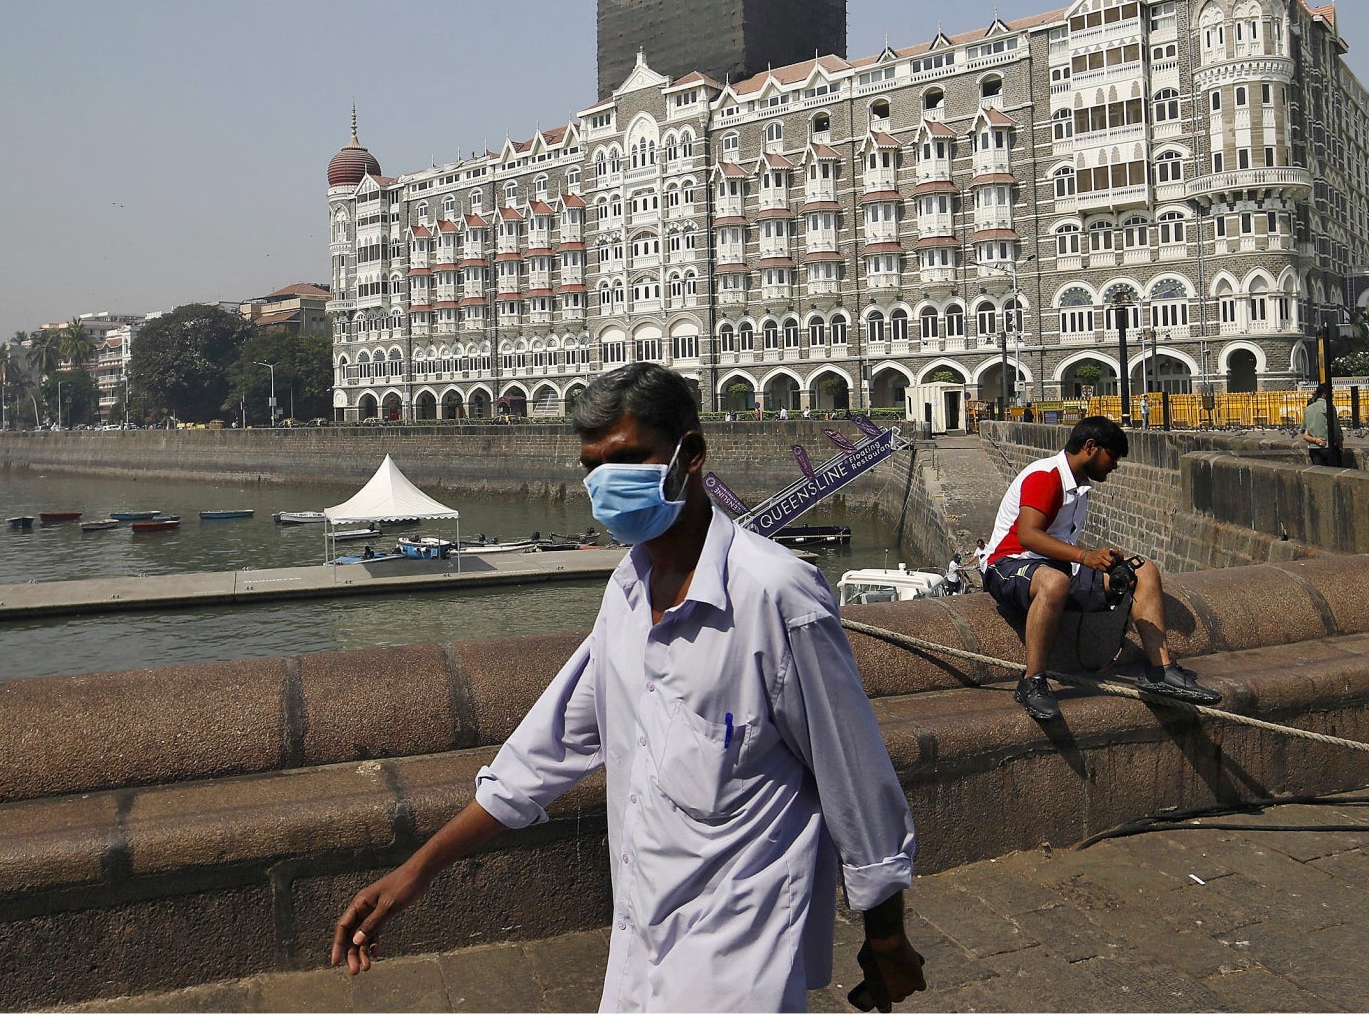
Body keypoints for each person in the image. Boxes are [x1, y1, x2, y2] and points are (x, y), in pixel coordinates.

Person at [329, 364, 926, 1013]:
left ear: (690, 455)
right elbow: (546, 750)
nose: (606, 481)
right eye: (592, 466)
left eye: (628, 458)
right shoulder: (627, 588)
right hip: (638, 936)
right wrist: (416, 873)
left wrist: (885, 934)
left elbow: (854, 776)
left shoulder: (775, 595)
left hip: (741, 953)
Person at [978, 414, 1221, 725]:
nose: (1115, 465)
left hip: (1056, 567)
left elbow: (1061, 546)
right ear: (1091, 447)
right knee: (1054, 582)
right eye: (1113, 456)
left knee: (1142, 569)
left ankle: (1160, 670)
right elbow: (1028, 535)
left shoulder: (1079, 486)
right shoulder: (1047, 476)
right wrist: (1084, 556)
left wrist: (1104, 562)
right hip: (1009, 564)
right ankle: (1033, 681)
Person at [1302, 387, 1340, 468]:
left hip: (1313, 448)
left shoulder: (1308, 409)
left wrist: (1315, 440)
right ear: (1324, 394)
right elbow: (1336, 429)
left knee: (1319, 473)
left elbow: (1304, 429)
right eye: (1331, 393)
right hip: (1327, 446)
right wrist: (1339, 443)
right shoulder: (1329, 407)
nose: (1332, 395)